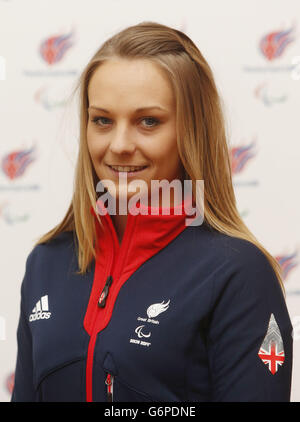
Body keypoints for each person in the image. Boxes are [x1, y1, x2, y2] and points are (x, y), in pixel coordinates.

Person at [11, 21, 293, 402]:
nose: (120, 144)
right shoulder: (45, 262)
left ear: (191, 131)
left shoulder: (238, 273)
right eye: (103, 121)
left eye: (148, 122)